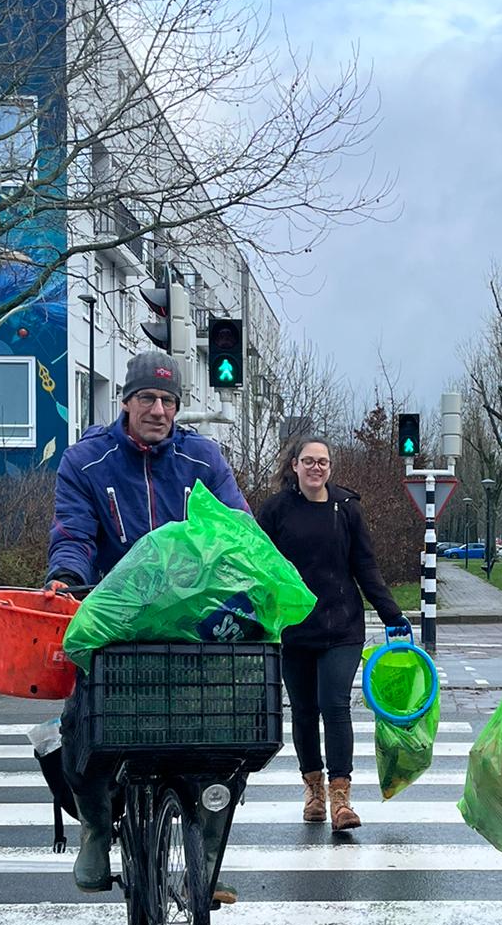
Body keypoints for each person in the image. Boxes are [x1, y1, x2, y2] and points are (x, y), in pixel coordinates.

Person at [45, 350, 251, 892]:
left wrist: (248, 579)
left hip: (192, 619)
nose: (158, 410)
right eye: (146, 399)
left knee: (232, 733)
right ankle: (95, 827)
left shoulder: (202, 459)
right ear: (126, 402)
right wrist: (66, 576)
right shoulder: (86, 461)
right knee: (82, 726)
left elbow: (237, 528)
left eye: (167, 400)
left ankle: (207, 852)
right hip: (118, 618)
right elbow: (73, 532)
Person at [258, 434, 408, 831]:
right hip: (293, 629)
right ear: (294, 465)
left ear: (330, 468)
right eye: (308, 461)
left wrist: (390, 612)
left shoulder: (346, 508)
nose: (315, 468)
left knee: (334, 704)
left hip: (341, 625)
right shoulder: (275, 511)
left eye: (322, 462)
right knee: (304, 710)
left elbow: (365, 566)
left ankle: (341, 798)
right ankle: (314, 791)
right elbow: (259, 567)